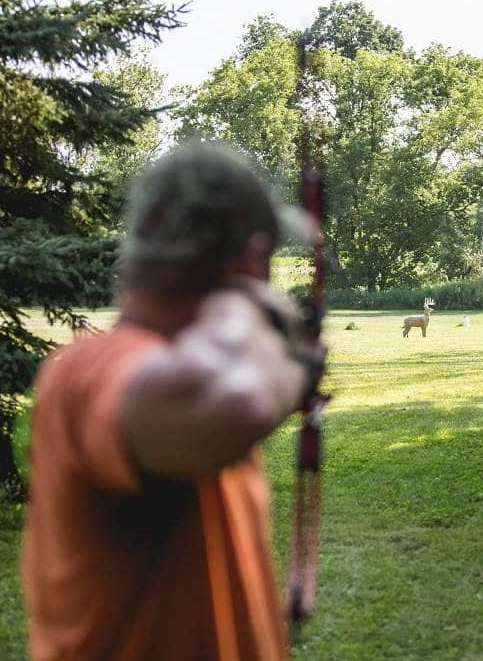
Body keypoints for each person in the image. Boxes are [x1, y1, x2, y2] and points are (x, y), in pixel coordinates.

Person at [22, 143, 326, 660]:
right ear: (252, 258)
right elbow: (240, 401)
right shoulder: (87, 370)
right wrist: (272, 328)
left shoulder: (204, 357)